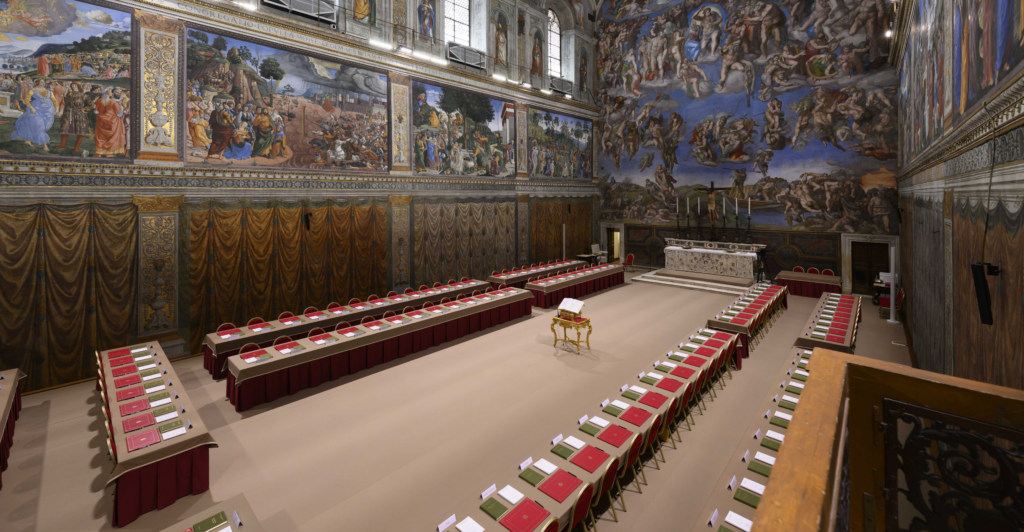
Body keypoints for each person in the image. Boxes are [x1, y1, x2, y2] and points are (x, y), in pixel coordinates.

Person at [11, 78, 57, 151]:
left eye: (43, 82)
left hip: (47, 111)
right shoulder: (32, 90)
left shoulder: (49, 92)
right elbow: (26, 100)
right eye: (41, 82)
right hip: (35, 109)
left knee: (35, 125)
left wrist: (56, 109)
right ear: (38, 82)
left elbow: (54, 100)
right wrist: (32, 108)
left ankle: (28, 140)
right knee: (39, 124)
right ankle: (44, 145)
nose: (43, 83)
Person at [54, 81, 94, 152]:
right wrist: (61, 111)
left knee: (80, 131)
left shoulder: (84, 95)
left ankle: (76, 147)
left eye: (75, 85)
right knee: (65, 129)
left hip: (80, 115)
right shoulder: (68, 93)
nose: (73, 86)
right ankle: (62, 144)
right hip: (68, 113)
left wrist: (84, 108)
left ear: (79, 86)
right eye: (73, 85)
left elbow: (92, 105)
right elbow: (63, 103)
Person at [93, 88, 127, 157]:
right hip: (112, 122)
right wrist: (122, 110)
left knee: (100, 137)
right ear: (107, 93)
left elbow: (96, 112)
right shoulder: (113, 103)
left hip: (101, 121)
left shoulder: (98, 101)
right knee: (111, 137)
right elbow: (119, 114)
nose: (112, 93)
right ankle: (108, 153)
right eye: (111, 92)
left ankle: (99, 153)